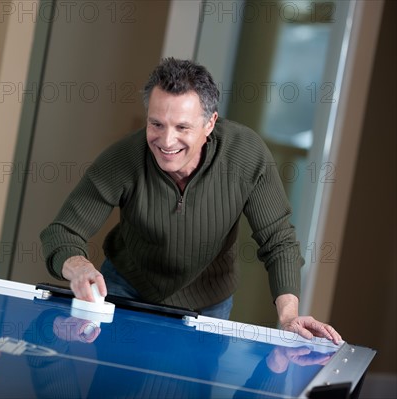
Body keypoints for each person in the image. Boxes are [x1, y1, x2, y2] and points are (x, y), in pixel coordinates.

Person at [40, 58, 342, 345]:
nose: (167, 141)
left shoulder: (246, 155)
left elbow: (279, 241)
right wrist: (78, 266)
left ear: (210, 123)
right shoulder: (124, 158)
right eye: (156, 124)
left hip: (208, 303)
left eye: (182, 127)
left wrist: (288, 316)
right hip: (125, 288)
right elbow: (62, 231)